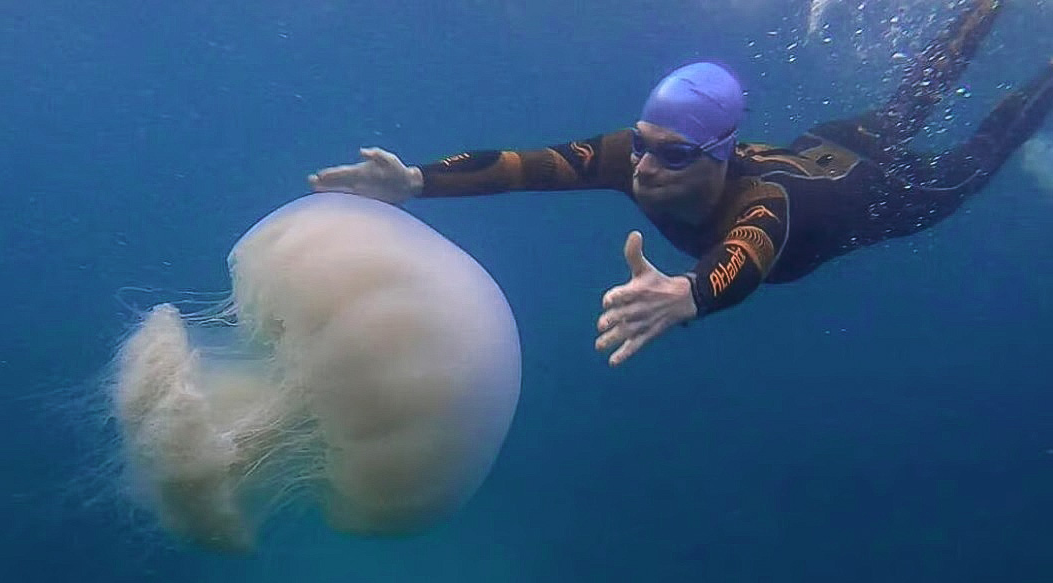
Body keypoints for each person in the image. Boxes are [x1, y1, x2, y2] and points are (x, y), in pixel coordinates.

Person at [307, 0, 1052, 367]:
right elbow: (522, 166)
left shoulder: (760, 202)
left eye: (669, 153)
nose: (640, 165)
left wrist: (690, 293)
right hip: (824, 146)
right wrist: (415, 181)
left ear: (717, 154)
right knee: (907, 103)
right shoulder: (633, 158)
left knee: (982, 151)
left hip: (876, 195)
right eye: (639, 143)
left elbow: (750, 253)